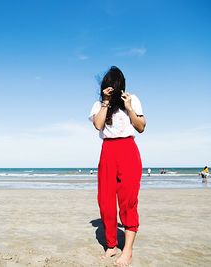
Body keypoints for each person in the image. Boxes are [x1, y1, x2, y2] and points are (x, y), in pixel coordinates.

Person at [89, 66, 146, 266]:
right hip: (108, 151)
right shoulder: (99, 105)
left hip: (128, 150)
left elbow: (141, 127)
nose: (111, 88)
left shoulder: (133, 99)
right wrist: (105, 102)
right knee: (105, 200)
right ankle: (111, 245)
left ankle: (127, 251)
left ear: (120, 85)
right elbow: (98, 125)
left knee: (128, 200)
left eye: (114, 84)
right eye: (108, 84)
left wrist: (129, 107)